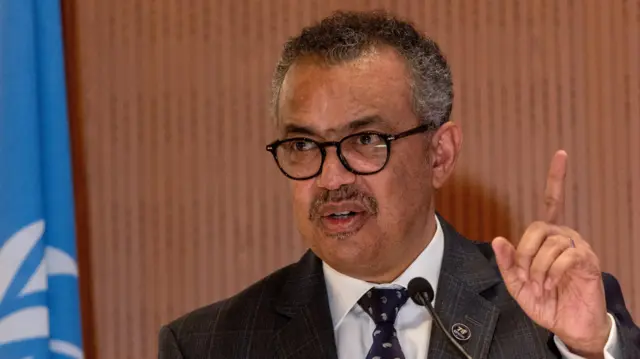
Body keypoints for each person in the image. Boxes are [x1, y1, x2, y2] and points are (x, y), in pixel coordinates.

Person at [158, 10, 640, 359]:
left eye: (365, 139)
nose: (331, 177)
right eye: (304, 145)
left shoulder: (548, 319)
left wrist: (589, 351)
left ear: (441, 154)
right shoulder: (209, 344)